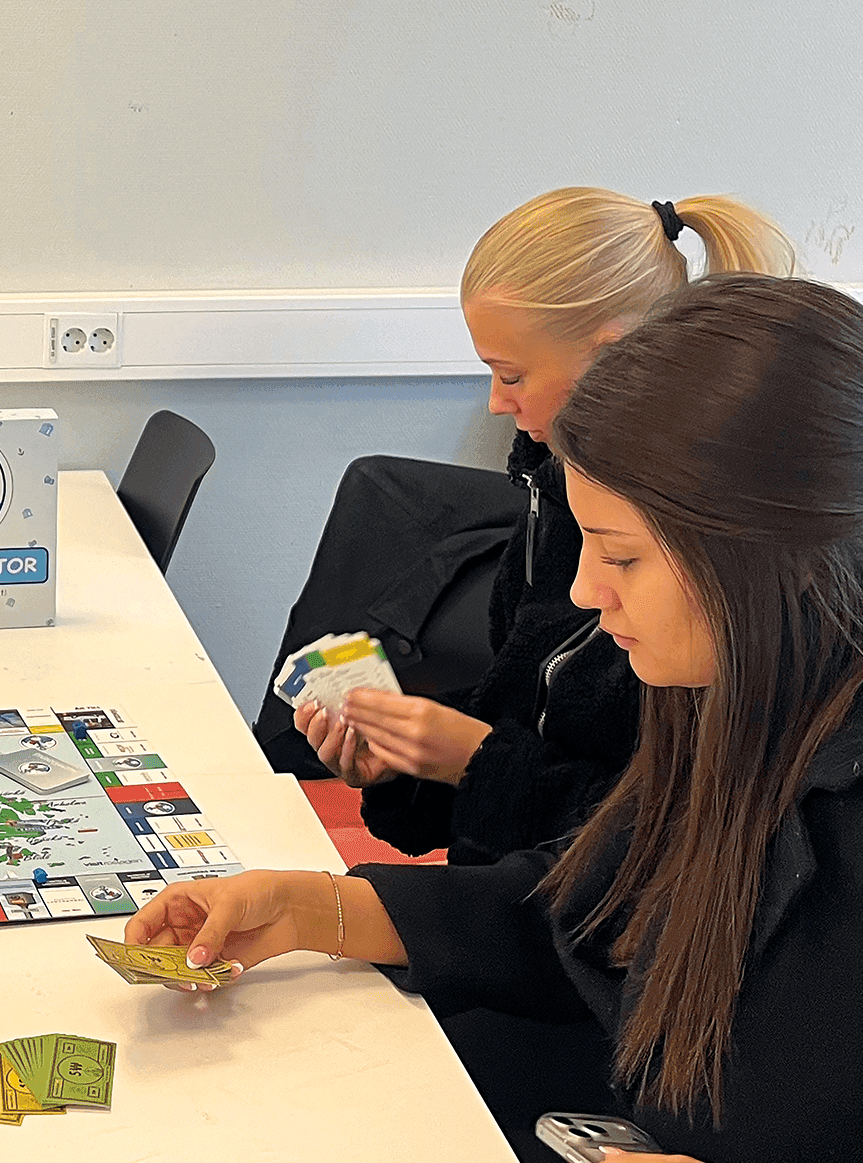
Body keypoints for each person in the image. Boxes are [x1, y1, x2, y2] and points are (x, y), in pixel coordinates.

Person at [131, 275, 863, 1163]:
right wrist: (327, 909)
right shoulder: (746, 681)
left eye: (621, 554)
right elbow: (610, 913)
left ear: (774, 558)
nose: (584, 592)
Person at [294, 188, 793, 865]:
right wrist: (412, 761)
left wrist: (473, 760)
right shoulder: (551, 491)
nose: (496, 403)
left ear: (611, 359)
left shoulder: (713, 567)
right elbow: (528, 698)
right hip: (514, 902)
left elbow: (661, 845)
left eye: (511, 375)